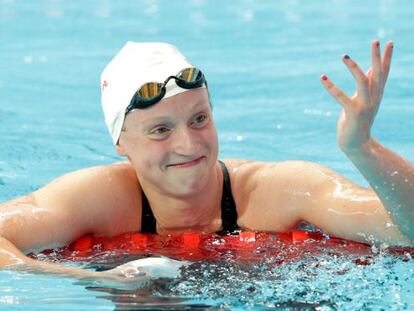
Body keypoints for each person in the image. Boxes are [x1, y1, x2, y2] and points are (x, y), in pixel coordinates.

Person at [0, 40, 413, 287]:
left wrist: (362, 147)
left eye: (200, 119)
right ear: (120, 143)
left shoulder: (278, 189)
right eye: (161, 130)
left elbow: (403, 230)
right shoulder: (97, 198)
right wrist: (96, 279)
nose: (189, 144)